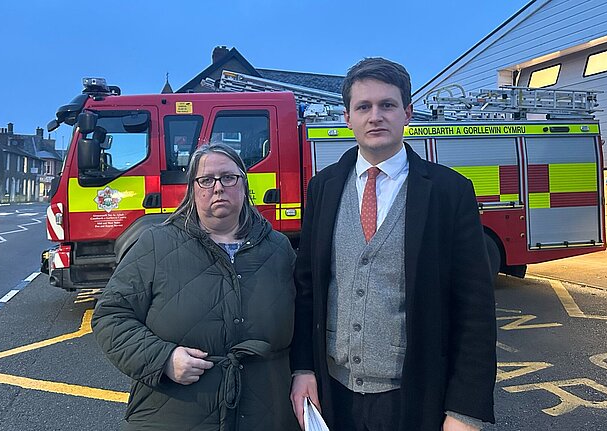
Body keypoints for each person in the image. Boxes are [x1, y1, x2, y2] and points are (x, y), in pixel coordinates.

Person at [289, 57, 497, 431]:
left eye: (387, 105)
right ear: (347, 117)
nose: (375, 116)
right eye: (363, 107)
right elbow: (307, 290)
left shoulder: (449, 191)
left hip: (414, 398)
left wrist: (465, 409)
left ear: (408, 113)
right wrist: (303, 368)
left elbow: (475, 308)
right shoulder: (323, 188)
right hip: (334, 394)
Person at [93, 143, 299, 431]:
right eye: (206, 180)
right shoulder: (155, 244)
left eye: (229, 177)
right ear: (192, 188)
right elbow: (111, 316)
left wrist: (304, 372)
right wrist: (162, 358)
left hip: (267, 414)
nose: (218, 188)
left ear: (243, 184)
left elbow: (304, 323)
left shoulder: (279, 249)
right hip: (171, 416)